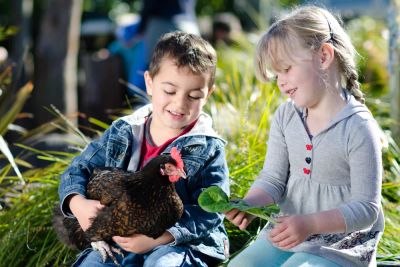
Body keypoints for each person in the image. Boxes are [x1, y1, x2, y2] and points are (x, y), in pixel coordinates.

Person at [225, 6, 384, 267]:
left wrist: (310, 223)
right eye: (276, 74)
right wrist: (249, 204)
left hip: (341, 247)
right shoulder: (286, 116)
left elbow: (367, 209)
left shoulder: (358, 127)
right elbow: (273, 179)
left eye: (285, 69)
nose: (280, 81)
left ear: (323, 56)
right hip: (289, 236)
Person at [58, 31, 229, 267]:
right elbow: (78, 169)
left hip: (180, 242)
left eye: (194, 95)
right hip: (120, 236)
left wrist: (161, 237)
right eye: (169, 91)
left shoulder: (208, 147)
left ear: (208, 94)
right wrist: (78, 204)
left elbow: (211, 210)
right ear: (149, 83)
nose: (179, 103)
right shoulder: (124, 132)